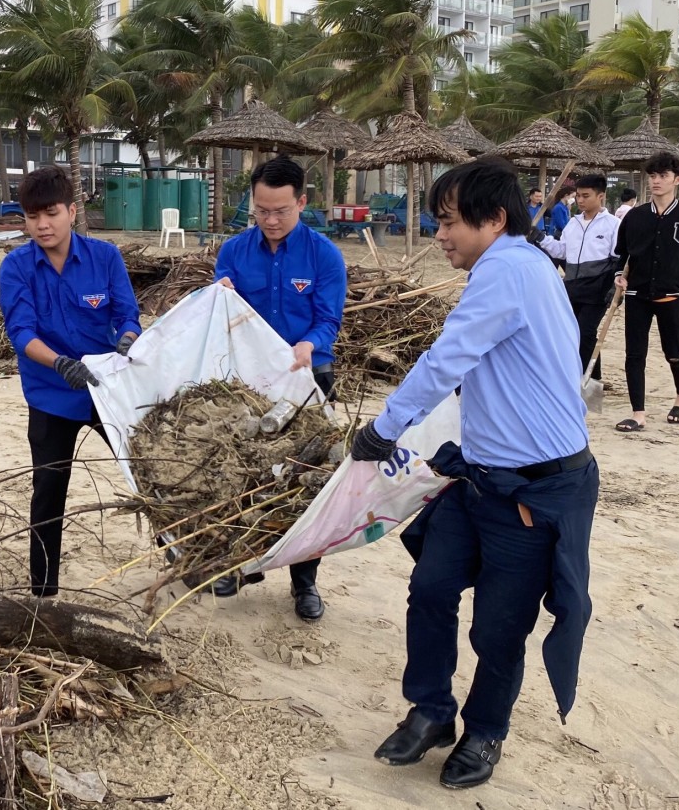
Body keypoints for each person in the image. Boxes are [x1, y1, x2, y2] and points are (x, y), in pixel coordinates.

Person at [348, 157, 598, 790]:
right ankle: (431, 711)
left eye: (448, 221)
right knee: (431, 588)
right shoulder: (523, 265)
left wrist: (384, 430)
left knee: (498, 626)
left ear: (493, 219)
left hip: (534, 489)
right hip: (480, 475)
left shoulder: (509, 269)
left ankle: (485, 731)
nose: (440, 235)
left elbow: (444, 360)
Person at [213, 155, 346, 621]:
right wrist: (221, 296)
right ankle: (233, 563)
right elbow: (219, 317)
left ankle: (304, 582)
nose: (270, 221)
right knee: (239, 471)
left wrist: (310, 343)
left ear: (302, 202)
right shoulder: (233, 251)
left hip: (309, 378)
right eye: (261, 211)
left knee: (304, 481)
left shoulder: (324, 255)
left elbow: (329, 319)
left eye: (281, 211)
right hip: (248, 385)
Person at [0, 165, 141, 596]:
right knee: (48, 489)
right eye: (32, 216)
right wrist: (60, 364)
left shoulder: (105, 257)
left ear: (72, 211)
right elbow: (21, 333)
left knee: (149, 469)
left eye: (52, 213)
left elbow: (126, 314)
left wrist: (128, 339)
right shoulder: (16, 267)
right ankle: (44, 590)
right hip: (51, 395)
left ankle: (181, 553)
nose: (42, 225)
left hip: (108, 390)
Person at [612, 151, 679, 432]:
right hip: (637, 295)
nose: (656, 181)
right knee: (634, 355)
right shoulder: (635, 216)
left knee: (676, 353)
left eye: (663, 176)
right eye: (653, 176)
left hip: (672, 295)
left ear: (677, 179)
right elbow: (621, 254)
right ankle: (638, 414)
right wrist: (619, 275)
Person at [533, 173, 620, 380]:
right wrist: (540, 239)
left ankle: (590, 379)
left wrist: (614, 288)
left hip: (599, 289)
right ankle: (579, 375)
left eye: (586, 196)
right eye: (578, 196)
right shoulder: (573, 224)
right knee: (569, 332)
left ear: (601, 196)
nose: (580, 200)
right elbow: (562, 251)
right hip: (572, 286)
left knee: (586, 331)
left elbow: (619, 258)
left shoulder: (613, 224)